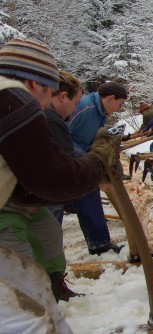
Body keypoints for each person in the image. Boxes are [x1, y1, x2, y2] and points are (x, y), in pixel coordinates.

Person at [0, 37, 119, 307]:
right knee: (20, 285)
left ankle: (53, 292)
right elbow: (54, 179)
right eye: (47, 93)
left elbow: (27, 168)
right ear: (34, 84)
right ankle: (33, 321)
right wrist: (98, 161)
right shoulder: (13, 99)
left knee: (47, 231)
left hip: (9, 198)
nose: (44, 105)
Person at [66, 81, 127, 256]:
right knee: (52, 209)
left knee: (89, 195)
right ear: (110, 98)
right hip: (68, 159)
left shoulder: (100, 112)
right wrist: (84, 156)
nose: (119, 109)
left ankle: (99, 244)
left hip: (80, 159)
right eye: (119, 104)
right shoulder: (85, 108)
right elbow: (60, 134)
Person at [44, 71, 84, 225]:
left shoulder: (42, 114)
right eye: (75, 103)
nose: (75, 110)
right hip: (49, 195)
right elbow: (65, 162)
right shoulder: (52, 120)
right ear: (63, 96)